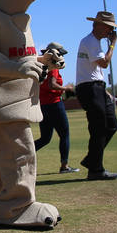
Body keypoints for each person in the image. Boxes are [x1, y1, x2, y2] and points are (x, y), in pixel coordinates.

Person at [75, 11, 117, 181]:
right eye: (109, 27)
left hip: (96, 87)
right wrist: (113, 44)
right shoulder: (91, 41)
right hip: (90, 88)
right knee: (99, 127)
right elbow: (104, 63)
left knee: (112, 125)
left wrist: (103, 89)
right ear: (98, 25)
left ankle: (92, 160)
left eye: (112, 28)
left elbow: (96, 69)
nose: (110, 30)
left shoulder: (94, 42)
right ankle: (95, 169)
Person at [33, 42, 79, 174]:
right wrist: (67, 88)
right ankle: (64, 166)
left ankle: (22, 155)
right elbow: (52, 85)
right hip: (54, 104)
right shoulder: (53, 65)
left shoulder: (40, 63)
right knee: (64, 134)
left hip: (43, 105)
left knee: (45, 138)